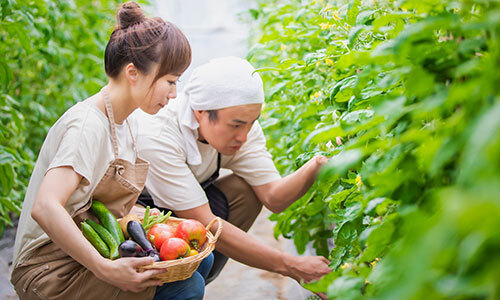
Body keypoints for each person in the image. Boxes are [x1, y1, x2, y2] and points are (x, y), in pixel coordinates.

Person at [10, 2, 213, 300]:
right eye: (170, 81)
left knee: (203, 259)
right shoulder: (87, 125)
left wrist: (146, 216)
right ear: (133, 72)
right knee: (187, 287)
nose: (174, 93)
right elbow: (46, 206)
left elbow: (95, 205)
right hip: (48, 269)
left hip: (85, 249)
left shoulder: (126, 122)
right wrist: (104, 268)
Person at [135, 56, 331, 286]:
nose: (244, 136)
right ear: (200, 112)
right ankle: (179, 284)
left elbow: (274, 197)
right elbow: (205, 221)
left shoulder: (243, 127)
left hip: (186, 211)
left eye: (252, 122)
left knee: (245, 191)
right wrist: (290, 265)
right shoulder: (159, 135)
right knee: (189, 275)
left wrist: (318, 164)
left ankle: (196, 277)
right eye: (236, 125)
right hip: (141, 217)